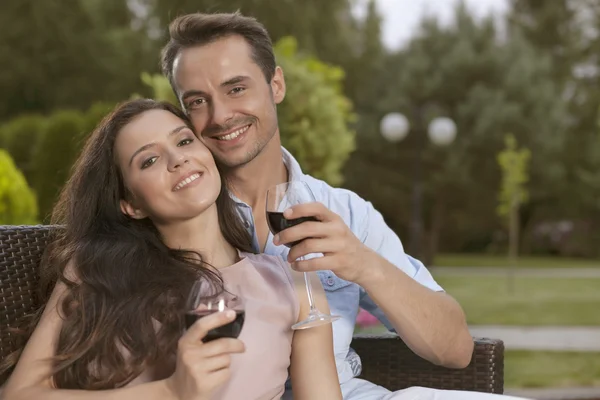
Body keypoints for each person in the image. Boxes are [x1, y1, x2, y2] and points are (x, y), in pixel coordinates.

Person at [160, 12, 529, 400]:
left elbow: (454, 349)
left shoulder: (344, 211)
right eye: (198, 101)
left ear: (276, 84)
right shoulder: (174, 216)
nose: (220, 116)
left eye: (236, 89)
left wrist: (363, 263)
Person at [0, 99, 342, 400]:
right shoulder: (95, 272)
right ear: (130, 204)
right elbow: (18, 395)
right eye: (148, 161)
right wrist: (171, 392)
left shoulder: (296, 284)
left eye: (184, 140)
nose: (178, 159)